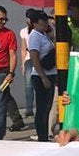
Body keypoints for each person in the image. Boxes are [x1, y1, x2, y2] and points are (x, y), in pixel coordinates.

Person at [0, 5, 24, 138]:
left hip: (1, 74)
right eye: (1, 19)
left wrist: (11, 73)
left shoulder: (9, 34)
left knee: (0, 108)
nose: (3, 22)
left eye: (5, 19)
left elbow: (12, 54)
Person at [26, 10, 58, 142]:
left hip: (51, 73)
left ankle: (44, 134)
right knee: (42, 108)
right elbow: (34, 57)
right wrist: (43, 77)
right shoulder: (34, 36)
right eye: (42, 21)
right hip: (41, 76)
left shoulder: (44, 34)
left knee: (48, 107)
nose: (45, 23)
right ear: (34, 23)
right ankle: (42, 136)